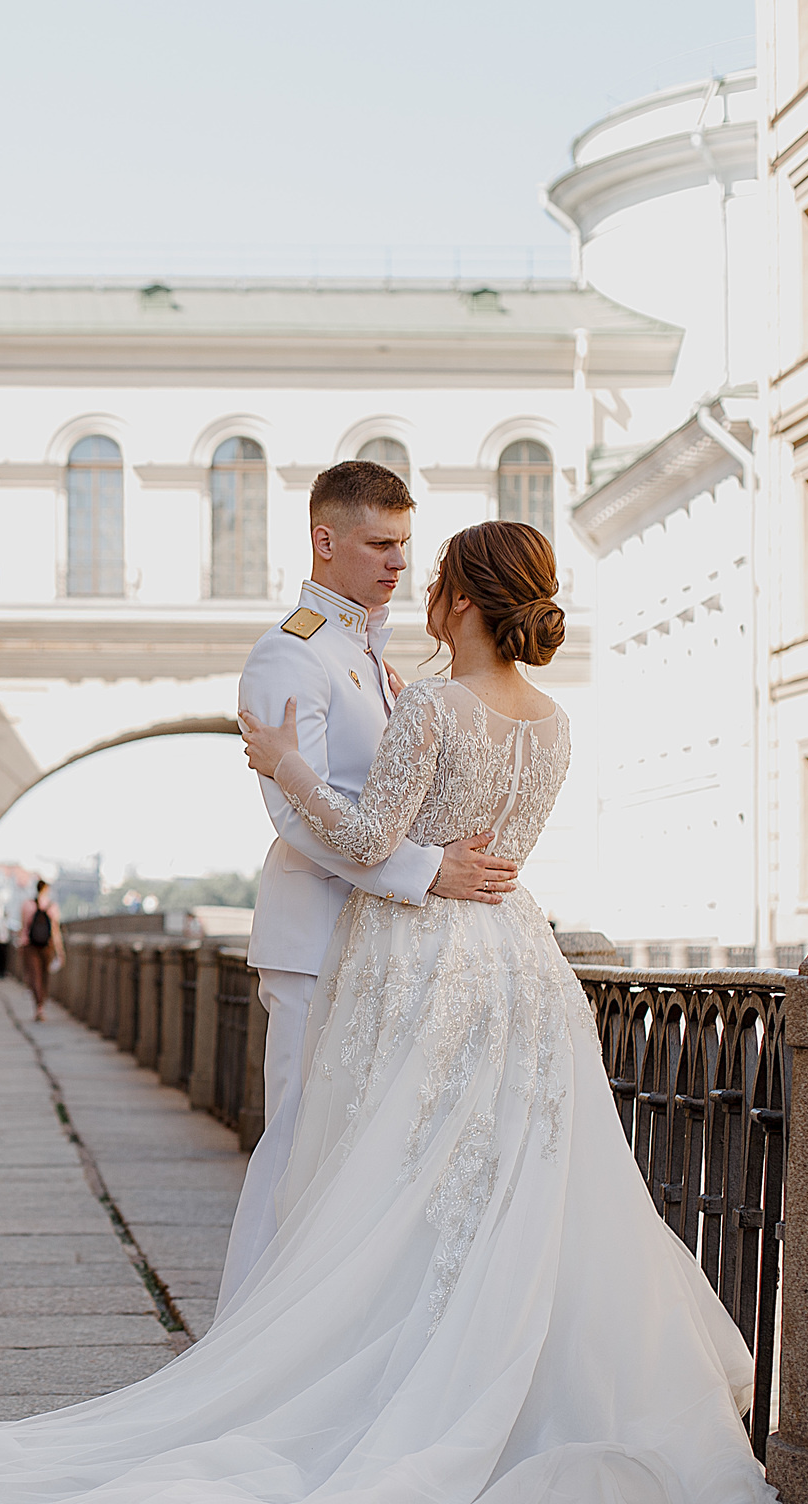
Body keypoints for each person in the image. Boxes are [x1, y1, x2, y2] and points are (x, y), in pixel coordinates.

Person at [0, 520, 786, 1504]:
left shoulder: (433, 706)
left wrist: (284, 766)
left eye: (432, 577)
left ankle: (393, 1391)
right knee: (512, 1193)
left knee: (399, 1186)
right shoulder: (554, 723)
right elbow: (486, 846)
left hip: (424, 962)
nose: (419, 588)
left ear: (462, 602)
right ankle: (514, 1406)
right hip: (521, 969)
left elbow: (369, 840)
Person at [219, 461, 521, 1316]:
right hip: (316, 938)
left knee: (356, 1160)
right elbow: (297, 813)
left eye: (404, 544)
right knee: (295, 1147)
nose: (399, 563)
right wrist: (430, 872)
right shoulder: (291, 652)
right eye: (379, 543)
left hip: (381, 943)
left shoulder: (366, 651)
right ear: (325, 539)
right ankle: (247, 1340)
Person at [19, 880, 61, 1021]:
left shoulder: (27, 905)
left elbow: (23, 928)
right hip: (47, 946)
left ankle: (38, 1007)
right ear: (46, 890)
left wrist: (21, 945)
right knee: (44, 975)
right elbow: (55, 931)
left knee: (34, 975)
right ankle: (42, 1004)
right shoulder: (52, 906)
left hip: (30, 945)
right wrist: (60, 951)